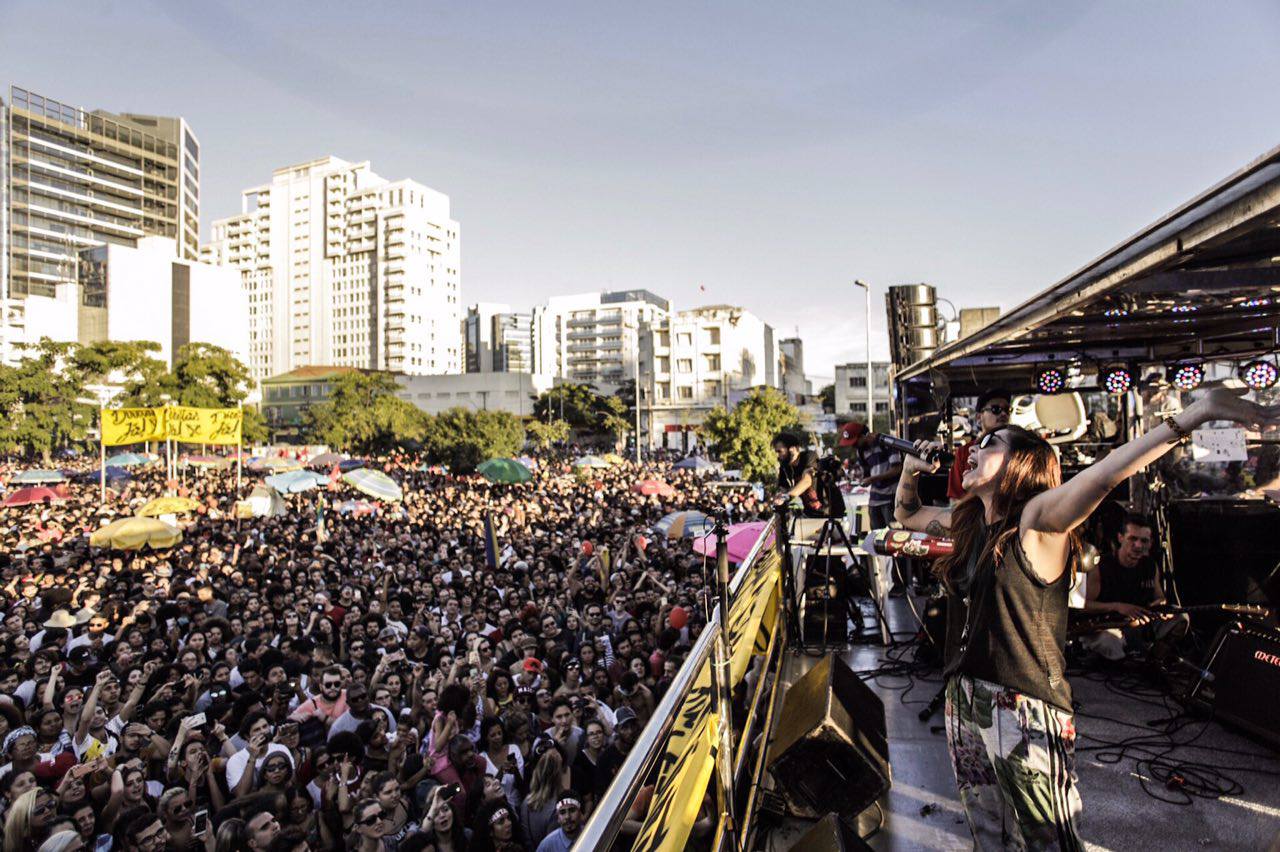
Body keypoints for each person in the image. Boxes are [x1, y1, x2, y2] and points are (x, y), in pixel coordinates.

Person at [892, 386, 1278, 850]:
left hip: (1023, 709)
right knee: (989, 838)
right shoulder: (972, 524)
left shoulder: (1037, 520)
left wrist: (1198, 414)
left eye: (990, 445)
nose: (974, 448)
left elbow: (1108, 473)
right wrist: (913, 471)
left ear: (1020, 465)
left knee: (1049, 841)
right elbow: (908, 514)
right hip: (965, 698)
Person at [1078, 513, 1189, 661]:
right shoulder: (1101, 566)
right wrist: (1118, 606)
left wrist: (1161, 606)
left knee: (1181, 617)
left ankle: (1153, 661)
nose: (1138, 546)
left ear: (1150, 543)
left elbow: (1160, 597)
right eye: (1133, 539)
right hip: (1105, 627)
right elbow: (1083, 606)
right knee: (1109, 642)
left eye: (1144, 541)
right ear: (1120, 538)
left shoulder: (1150, 566)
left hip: (1137, 627)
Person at [947, 389, 1012, 503]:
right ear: (978, 417)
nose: (1003, 414)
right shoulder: (964, 452)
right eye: (995, 409)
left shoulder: (1018, 448)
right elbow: (955, 498)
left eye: (1007, 410)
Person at [770, 433, 826, 517]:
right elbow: (783, 489)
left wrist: (786, 496)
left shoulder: (809, 456)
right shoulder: (785, 467)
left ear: (793, 449)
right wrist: (779, 497)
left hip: (827, 512)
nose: (778, 456)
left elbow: (807, 481)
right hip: (808, 514)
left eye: (779, 451)